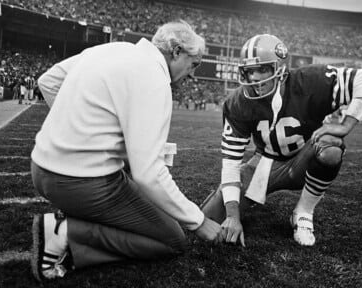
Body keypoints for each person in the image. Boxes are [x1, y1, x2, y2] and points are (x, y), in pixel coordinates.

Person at [30, 20, 221, 282]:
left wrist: (79, 131)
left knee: (139, 198)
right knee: (173, 239)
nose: (193, 73)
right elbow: (149, 174)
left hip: (40, 168)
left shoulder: (113, 49)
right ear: (176, 51)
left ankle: (75, 218)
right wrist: (198, 221)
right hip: (80, 183)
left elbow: (48, 81)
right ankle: (65, 233)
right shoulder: (154, 77)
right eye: (194, 63)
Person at [200, 34, 362, 247]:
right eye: (249, 71)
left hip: (303, 159)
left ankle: (303, 213)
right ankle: (251, 198)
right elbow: (230, 163)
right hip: (264, 164)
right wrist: (232, 215)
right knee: (209, 220)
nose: (254, 78)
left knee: (331, 145)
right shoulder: (238, 102)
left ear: (280, 68)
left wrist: (345, 125)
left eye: (263, 69)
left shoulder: (310, 81)